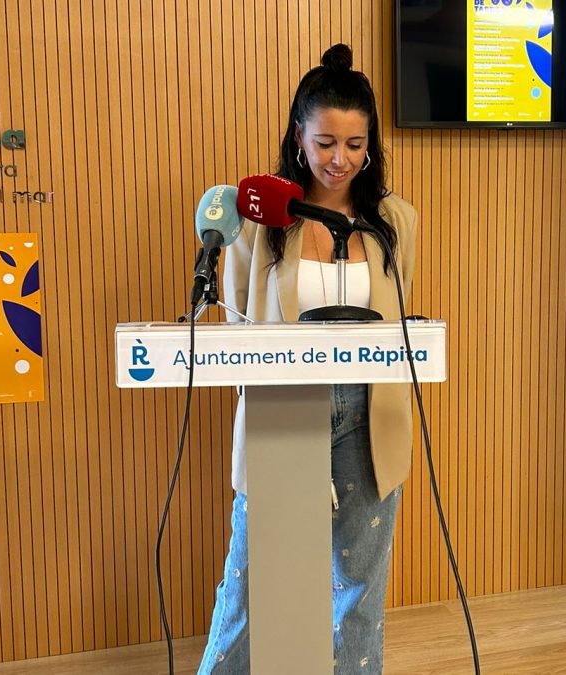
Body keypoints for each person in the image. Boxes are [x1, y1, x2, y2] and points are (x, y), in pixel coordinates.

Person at [198, 43, 418, 675]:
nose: (339, 159)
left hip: (370, 416)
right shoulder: (260, 222)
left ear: (371, 144)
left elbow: (399, 322)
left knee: (359, 589)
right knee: (249, 585)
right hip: (285, 407)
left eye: (354, 144)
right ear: (299, 137)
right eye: (325, 142)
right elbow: (238, 322)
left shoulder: (394, 223)